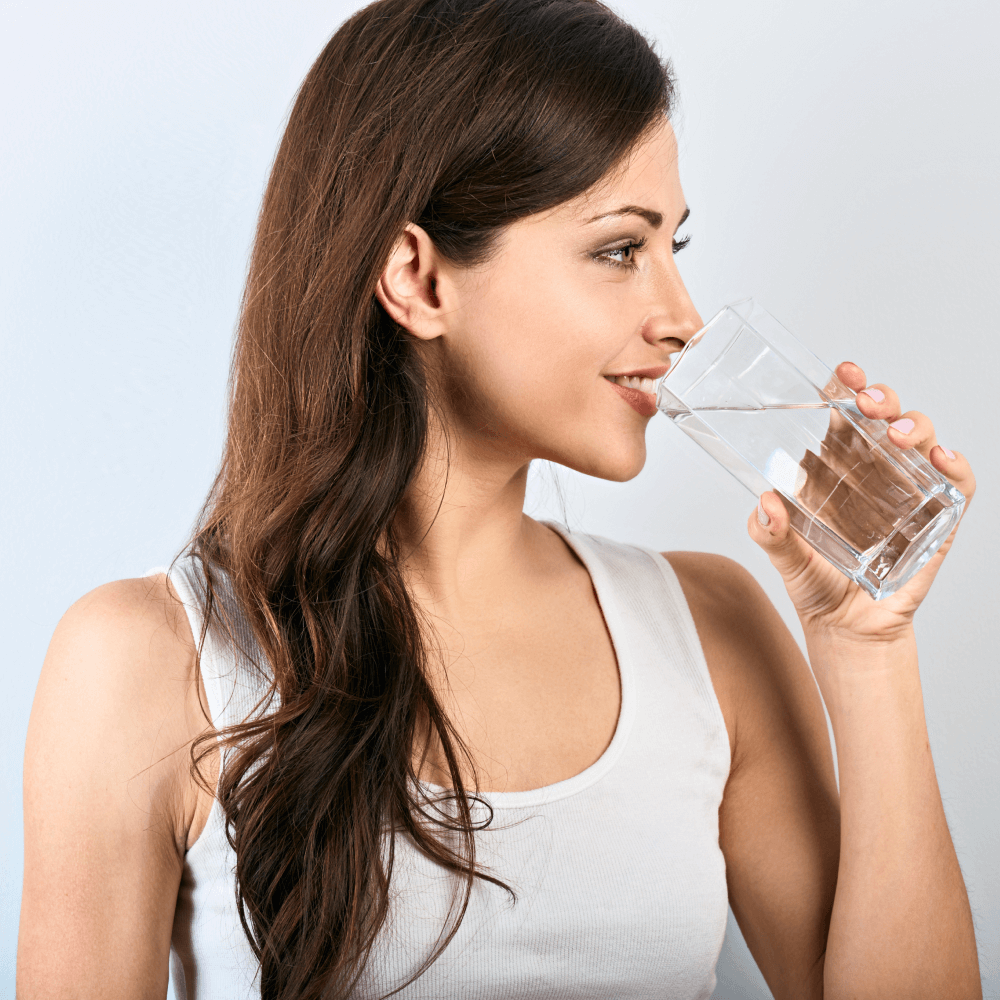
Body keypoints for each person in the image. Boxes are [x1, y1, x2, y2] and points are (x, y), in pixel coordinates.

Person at [18, 0, 981, 997]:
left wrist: (868, 650)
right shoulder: (147, 663)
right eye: (620, 250)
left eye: (674, 249)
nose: (683, 319)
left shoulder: (712, 634)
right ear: (418, 279)